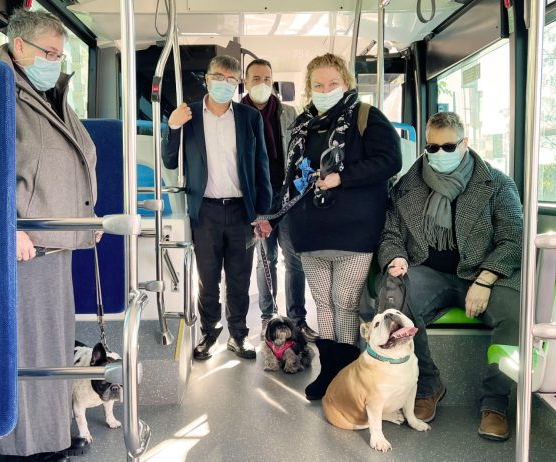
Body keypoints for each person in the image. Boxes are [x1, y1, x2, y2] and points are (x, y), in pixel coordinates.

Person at [0, 9, 98, 462]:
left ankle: (51, 438)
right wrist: (10, 225)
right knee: (30, 350)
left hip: (56, 240)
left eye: (60, 54)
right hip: (26, 245)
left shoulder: (44, 92)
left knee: (52, 345)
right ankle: (27, 450)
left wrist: (84, 216)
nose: (56, 61)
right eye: (49, 52)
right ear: (20, 46)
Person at [255, 53, 402, 400]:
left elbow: (390, 161)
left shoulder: (368, 117)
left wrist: (343, 177)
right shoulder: (303, 126)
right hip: (309, 232)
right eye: (318, 85)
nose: (325, 90)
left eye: (332, 84)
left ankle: (347, 375)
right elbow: (293, 180)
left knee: (345, 302)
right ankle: (330, 372)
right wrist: (271, 217)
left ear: (346, 83)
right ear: (309, 89)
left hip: (354, 231)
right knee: (322, 303)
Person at [377, 111, 522, 441]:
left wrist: (485, 280)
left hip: (485, 272)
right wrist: (396, 257)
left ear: (465, 143)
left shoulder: (497, 184)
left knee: (516, 312)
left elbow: (514, 238)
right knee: (394, 295)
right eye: (432, 147)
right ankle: (428, 385)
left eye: (448, 146)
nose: (439, 154)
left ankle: (495, 402)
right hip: (430, 269)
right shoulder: (407, 187)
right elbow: (390, 235)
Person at [163, 55, 272, 361]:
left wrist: (262, 213)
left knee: (239, 278)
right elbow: (170, 160)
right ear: (207, 79)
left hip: (242, 211)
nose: (224, 84)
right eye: (218, 78)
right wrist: (172, 127)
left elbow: (260, 166)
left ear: (237, 85)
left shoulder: (250, 118)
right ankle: (209, 333)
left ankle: (238, 336)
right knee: (207, 279)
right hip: (205, 210)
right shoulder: (189, 115)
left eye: (231, 80)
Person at [241, 58, 319, 342]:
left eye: (266, 78)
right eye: (255, 78)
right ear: (245, 82)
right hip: (258, 198)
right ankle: (268, 319)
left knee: (294, 259)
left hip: (287, 195)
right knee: (266, 259)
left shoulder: (289, 114)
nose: (261, 84)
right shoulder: (237, 114)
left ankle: (297, 319)